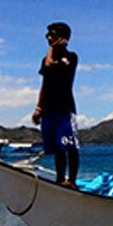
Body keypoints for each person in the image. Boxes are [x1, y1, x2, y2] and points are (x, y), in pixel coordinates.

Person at [32, 22, 80, 189]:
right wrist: (38, 108)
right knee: (58, 148)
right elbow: (44, 85)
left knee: (69, 145)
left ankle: (72, 181)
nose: (48, 38)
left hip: (65, 109)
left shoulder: (71, 58)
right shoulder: (46, 58)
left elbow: (50, 65)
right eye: (47, 35)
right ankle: (60, 179)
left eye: (51, 35)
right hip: (49, 109)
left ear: (62, 38)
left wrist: (52, 49)